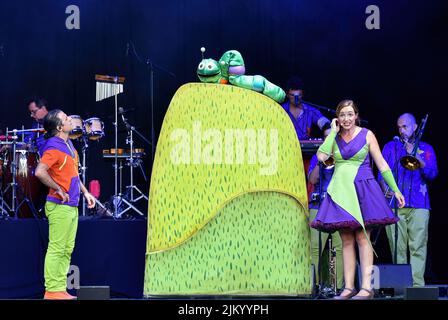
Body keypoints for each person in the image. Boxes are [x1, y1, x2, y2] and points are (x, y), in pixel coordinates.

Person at [310, 100, 405, 299]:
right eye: (342, 115)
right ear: (338, 118)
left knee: (363, 237)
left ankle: (366, 288)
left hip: (363, 188)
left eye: (350, 114)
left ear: (356, 115)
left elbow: (382, 164)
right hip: (341, 190)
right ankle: (348, 288)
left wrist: (395, 190)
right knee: (346, 239)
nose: (346, 119)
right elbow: (321, 157)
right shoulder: (334, 137)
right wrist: (333, 132)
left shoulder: (367, 134)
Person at [35, 109, 96, 300]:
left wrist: (86, 193)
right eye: (66, 119)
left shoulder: (68, 144)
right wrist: (58, 189)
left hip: (71, 206)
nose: (71, 119)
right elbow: (39, 171)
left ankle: (59, 289)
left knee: (67, 249)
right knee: (57, 248)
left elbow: (74, 175)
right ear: (60, 127)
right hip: (59, 206)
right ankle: (51, 291)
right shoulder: (53, 146)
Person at [379, 113, 438, 286]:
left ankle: (417, 287)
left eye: (405, 126)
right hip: (395, 204)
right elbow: (382, 171)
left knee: (418, 246)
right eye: (399, 127)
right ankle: (401, 286)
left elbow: (433, 173)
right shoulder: (390, 147)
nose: (401, 130)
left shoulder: (426, 148)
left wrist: (417, 157)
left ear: (414, 127)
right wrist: (384, 187)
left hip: (420, 204)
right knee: (397, 247)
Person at [308, 144, 344, 290]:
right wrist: (320, 161)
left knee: (339, 247)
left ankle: (339, 287)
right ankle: (313, 286)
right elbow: (312, 180)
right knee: (315, 247)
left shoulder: (343, 157)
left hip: (338, 205)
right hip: (318, 206)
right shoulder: (316, 157)